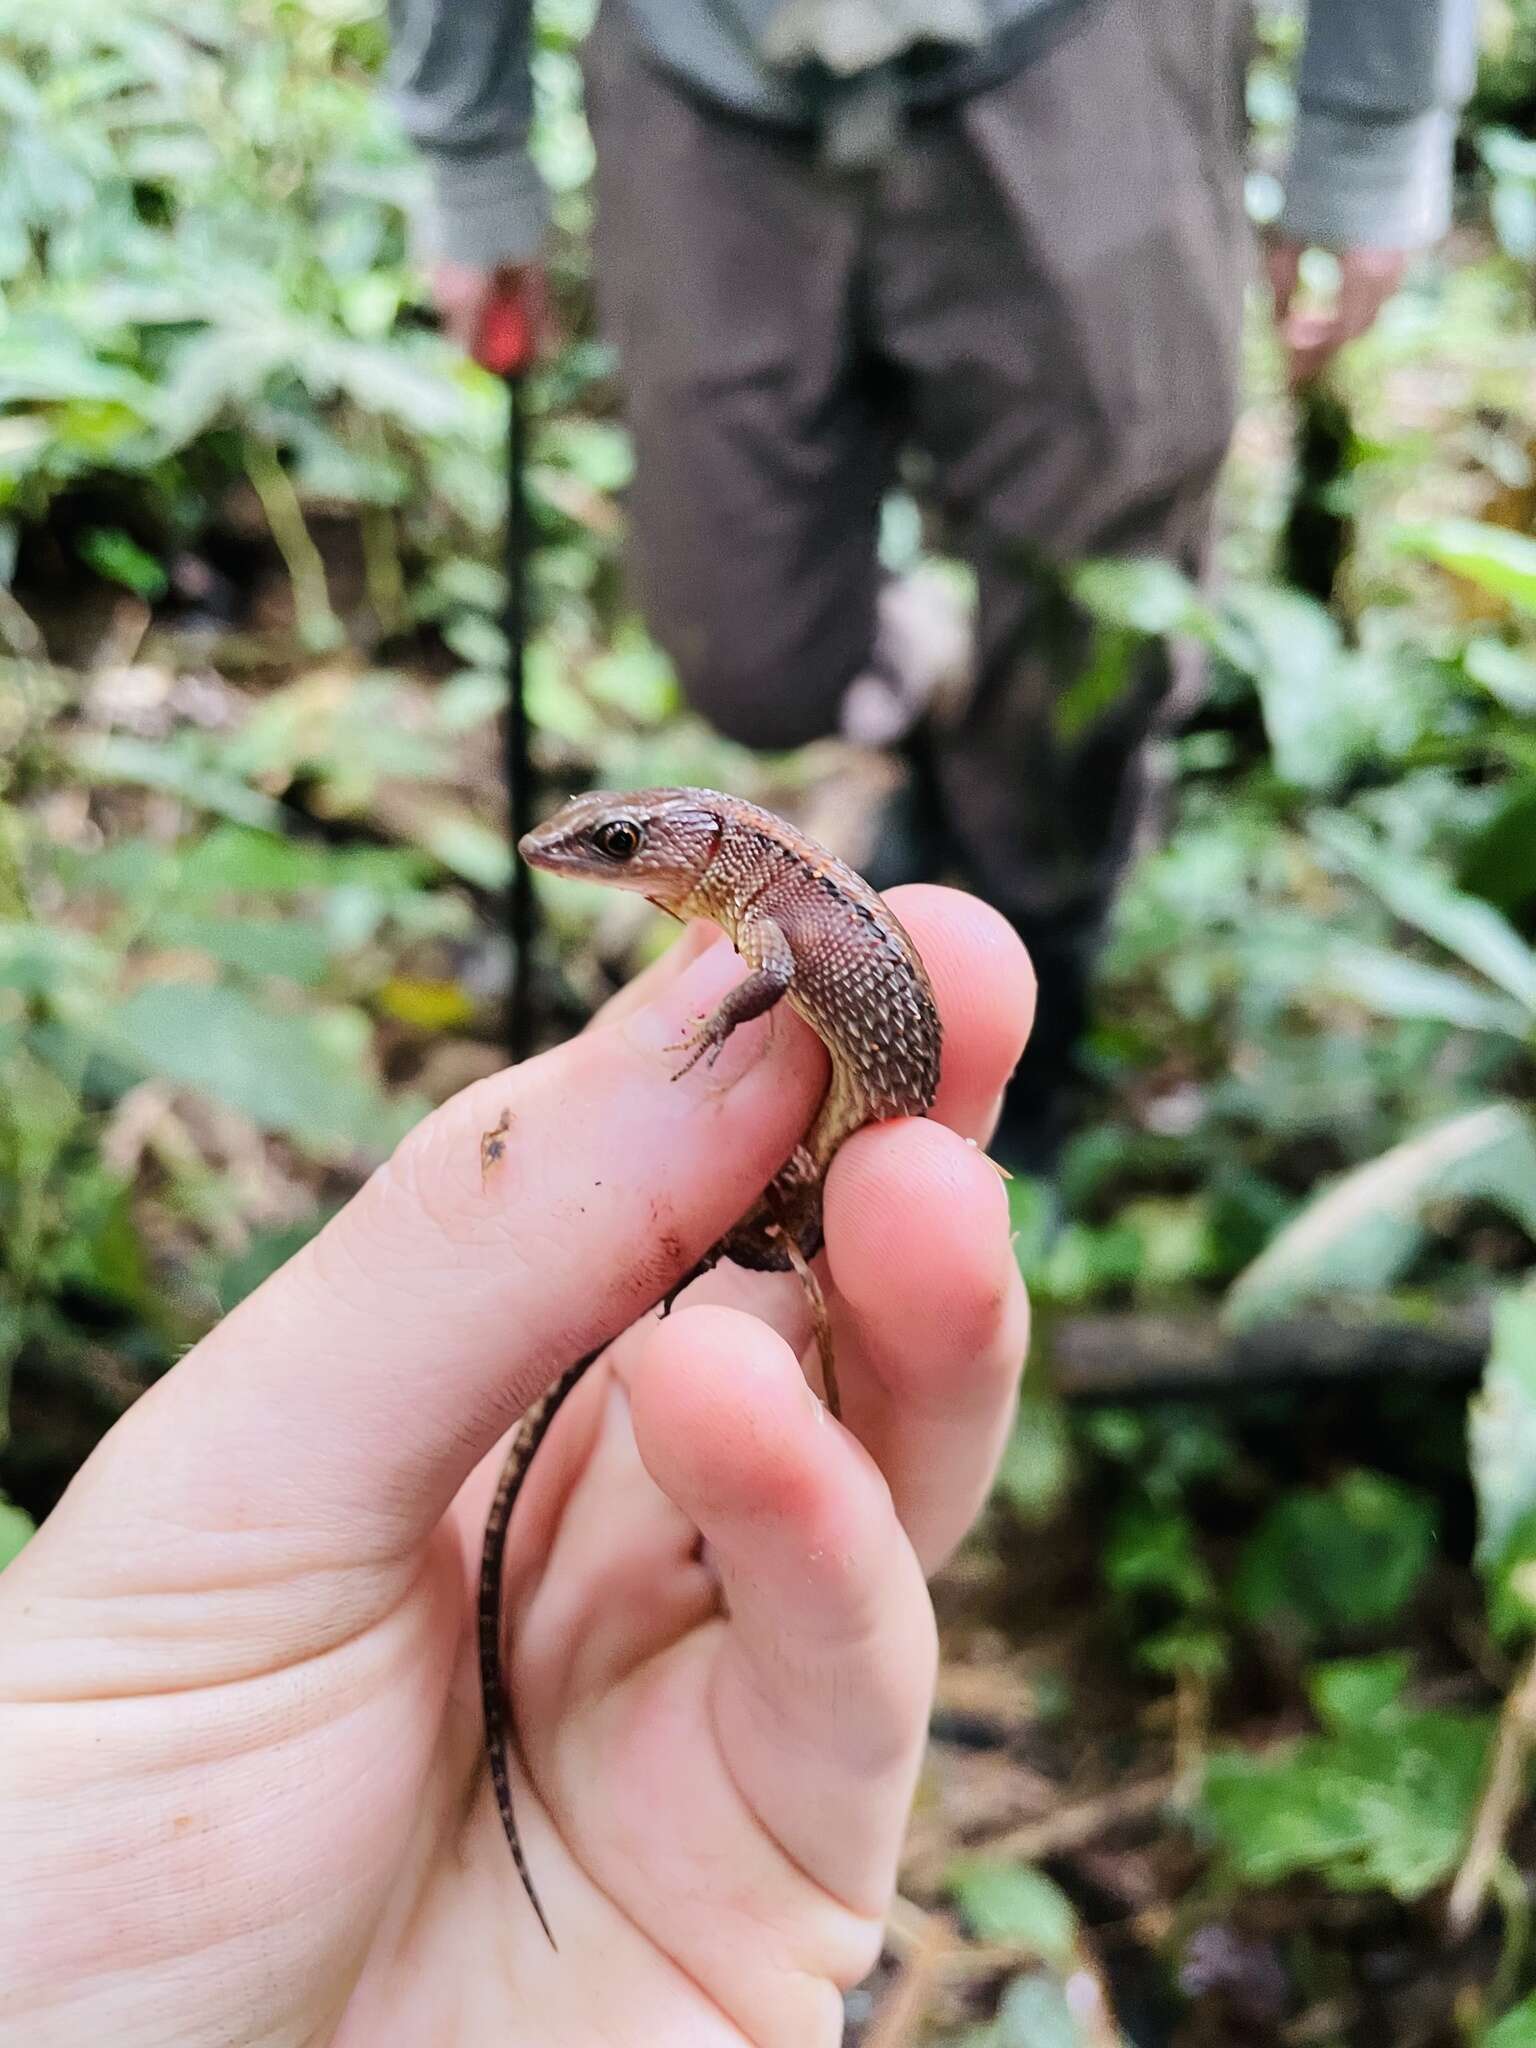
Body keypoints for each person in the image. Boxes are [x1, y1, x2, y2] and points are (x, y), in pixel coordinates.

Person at [387, 0, 1476, 1171]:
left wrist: (1371, 126)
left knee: (1090, 639)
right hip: (705, 66)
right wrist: (471, 152)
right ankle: (947, 717)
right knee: (747, 649)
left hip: (1088, 51)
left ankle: (1034, 1011)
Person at [0, 890, 1034, 2043]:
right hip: (836, 1152)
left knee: (860, 1268)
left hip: (852, 1149)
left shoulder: (769, 911)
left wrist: (722, 1056)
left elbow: (770, 979)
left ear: (705, 848)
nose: (585, 862)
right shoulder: (756, 904)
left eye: (622, 845)